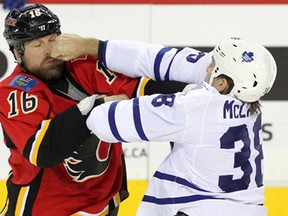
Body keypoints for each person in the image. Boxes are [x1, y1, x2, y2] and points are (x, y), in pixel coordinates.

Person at [0, 3, 189, 216]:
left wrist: (200, 91)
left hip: (102, 202)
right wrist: (97, 106)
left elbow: (145, 90)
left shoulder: (84, 65)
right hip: (45, 208)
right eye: (37, 44)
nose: (49, 50)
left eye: (53, 39)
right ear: (17, 52)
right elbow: (45, 150)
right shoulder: (14, 91)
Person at [58, 37, 276, 216]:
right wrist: (96, 47)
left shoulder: (193, 107)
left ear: (222, 83)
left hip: (197, 209)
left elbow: (104, 122)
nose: (206, 66)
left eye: (212, 64)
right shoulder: (250, 105)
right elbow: (162, 59)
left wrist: (99, 104)